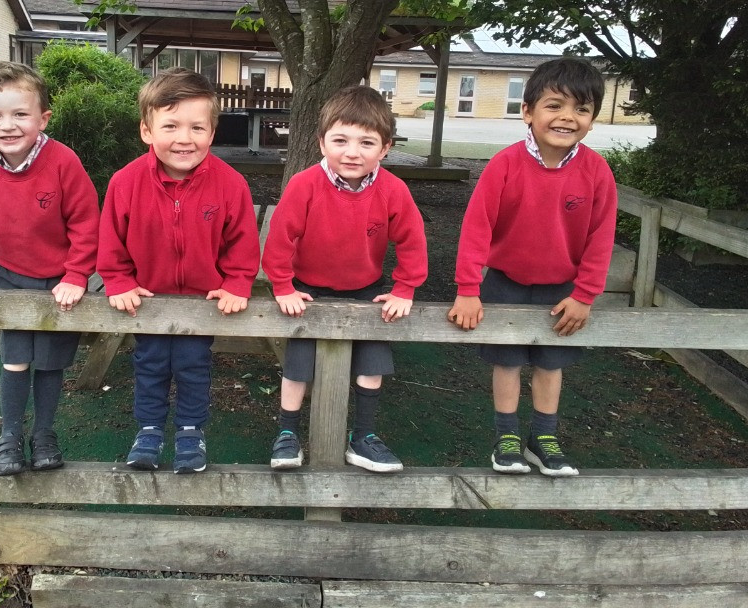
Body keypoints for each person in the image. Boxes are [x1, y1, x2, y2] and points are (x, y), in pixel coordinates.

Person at [447, 57, 617, 478]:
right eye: (554, 105)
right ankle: (506, 437)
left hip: (562, 290)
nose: (567, 117)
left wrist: (585, 295)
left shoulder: (596, 171)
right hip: (506, 284)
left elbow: (601, 236)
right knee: (506, 363)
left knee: (550, 363)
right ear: (527, 112)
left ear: (592, 119)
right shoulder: (504, 165)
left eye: (581, 109)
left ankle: (543, 437)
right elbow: (476, 229)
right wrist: (468, 289)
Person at [98, 67, 260, 474]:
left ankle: (190, 432)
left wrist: (238, 282)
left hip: (202, 301)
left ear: (212, 132)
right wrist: (117, 279)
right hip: (147, 299)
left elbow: (242, 240)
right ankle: (149, 430)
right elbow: (111, 238)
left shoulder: (231, 184)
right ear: (147, 131)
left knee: (193, 366)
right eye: (170, 125)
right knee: (149, 364)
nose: (184, 139)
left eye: (197, 127)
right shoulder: (125, 182)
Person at [0, 61, 99, 477]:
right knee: (15, 359)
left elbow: (85, 222)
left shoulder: (63, 162)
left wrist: (77, 275)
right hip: (9, 274)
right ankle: (9, 436)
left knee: (50, 362)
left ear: (42, 118)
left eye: (20, 114)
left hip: (59, 280)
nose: (7, 125)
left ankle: (44, 434)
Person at [262, 85, 428, 473]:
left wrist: (404, 288)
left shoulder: (393, 190)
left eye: (366, 142)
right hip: (308, 289)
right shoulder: (305, 184)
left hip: (367, 290)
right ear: (322, 142)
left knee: (372, 364)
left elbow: (413, 240)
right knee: (298, 364)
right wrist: (283, 285)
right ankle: (287, 433)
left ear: (385, 148)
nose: (352, 152)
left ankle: (363, 436)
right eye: (340, 140)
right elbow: (280, 237)